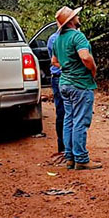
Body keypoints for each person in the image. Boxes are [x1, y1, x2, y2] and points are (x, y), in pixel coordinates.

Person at [51, 6, 101, 171]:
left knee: (69, 119)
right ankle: (81, 158)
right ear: (71, 21)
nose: (77, 17)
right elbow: (85, 56)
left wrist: (67, 66)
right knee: (80, 120)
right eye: (75, 16)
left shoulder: (58, 39)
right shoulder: (77, 36)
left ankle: (70, 158)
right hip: (80, 84)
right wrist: (93, 70)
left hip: (64, 83)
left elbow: (54, 61)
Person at [47, 23, 65, 162]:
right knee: (64, 114)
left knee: (65, 114)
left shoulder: (53, 38)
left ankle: (66, 148)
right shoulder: (56, 39)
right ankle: (64, 148)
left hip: (60, 78)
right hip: (61, 77)